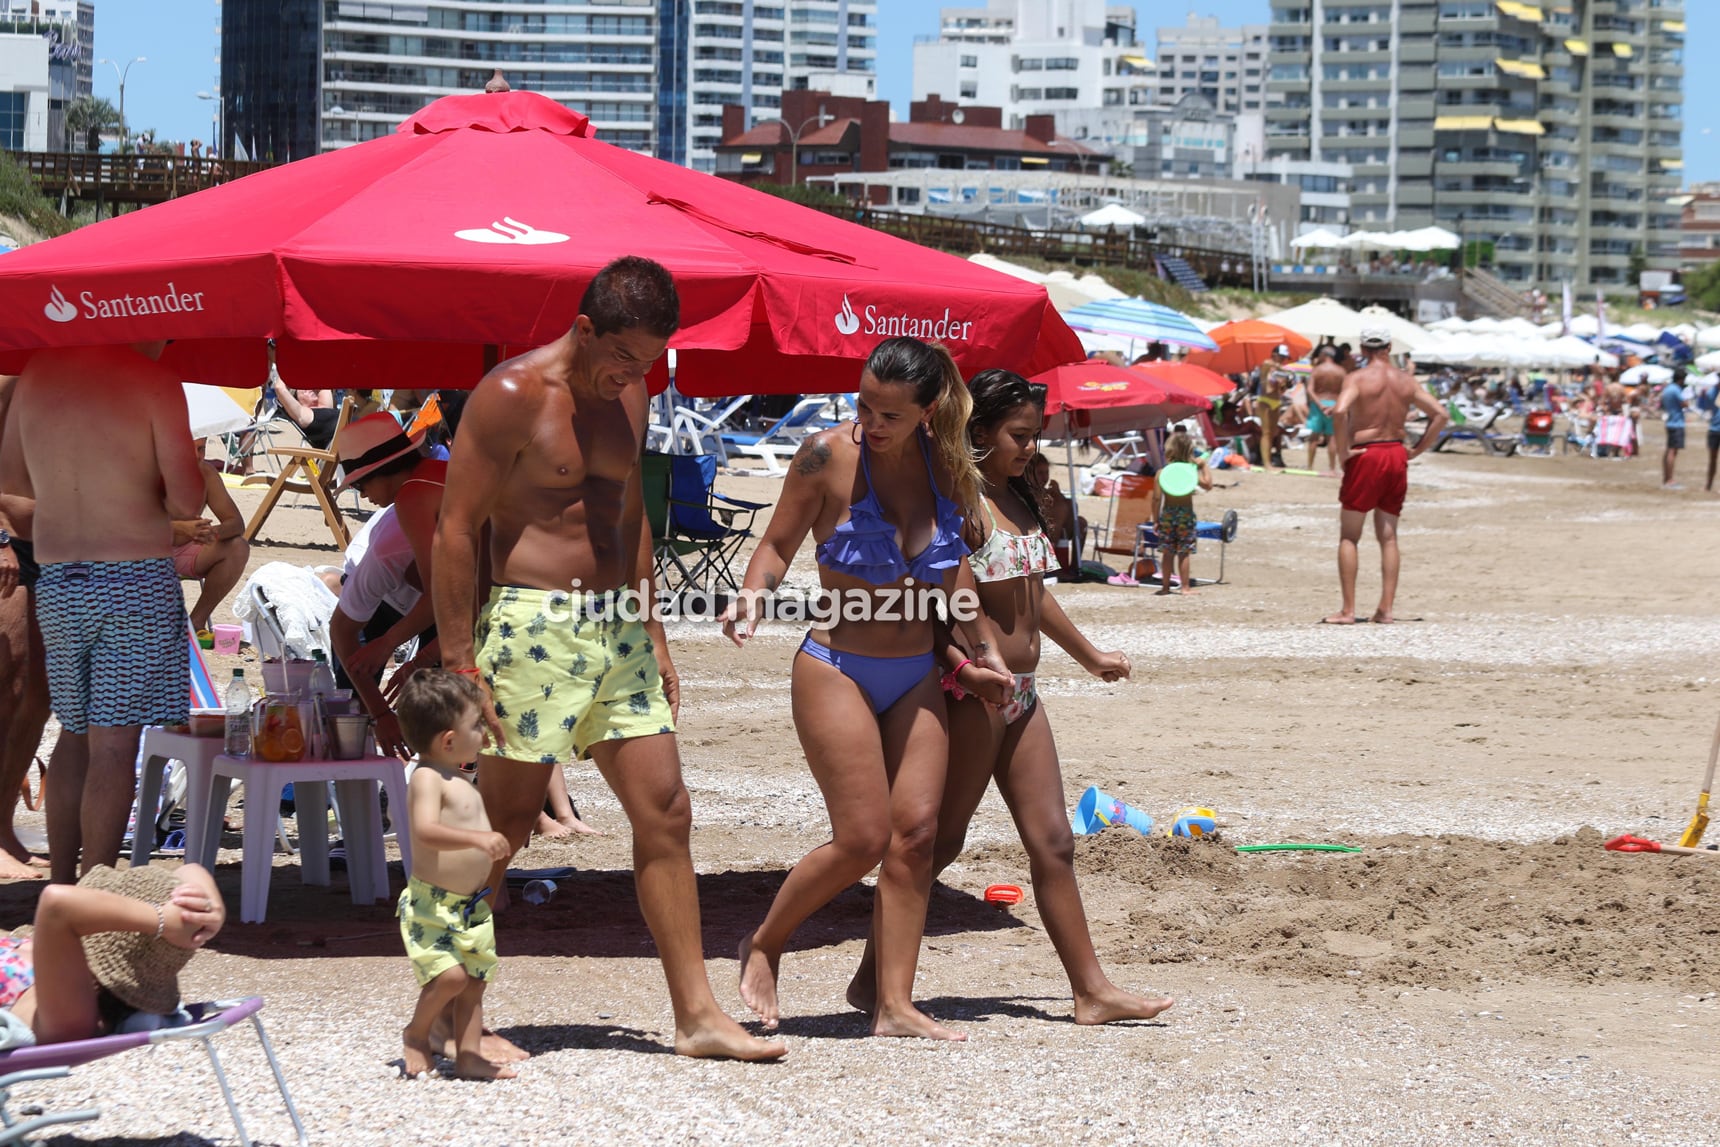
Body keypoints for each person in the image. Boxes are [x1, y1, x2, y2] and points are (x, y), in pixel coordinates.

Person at [433, 255, 783, 1061]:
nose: (632, 374)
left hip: (617, 623)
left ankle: (696, 1016)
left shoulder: (634, 389)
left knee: (667, 809)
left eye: (648, 361)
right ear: (584, 327)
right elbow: (455, 528)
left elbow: (628, 509)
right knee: (503, 828)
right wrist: (459, 660)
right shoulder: (512, 394)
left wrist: (653, 627)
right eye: (621, 357)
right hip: (530, 624)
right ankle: (462, 1020)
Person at [844, 369, 1172, 1026]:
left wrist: (1091, 655)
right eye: (1019, 435)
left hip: (1024, 695)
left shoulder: (1017, 500)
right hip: (974, 697)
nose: (1030, 447)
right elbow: (931, 606)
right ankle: (876, 980)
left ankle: (1091, 990)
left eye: (1034, 435)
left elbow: (1032, 595)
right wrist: (963, 668)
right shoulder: (959, 507)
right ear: (982, 431)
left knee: (1053, 841)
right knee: (937, 842)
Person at [722, 336, 1011, 1041]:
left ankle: (893, 1004)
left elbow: (955, 576)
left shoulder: (948, 465)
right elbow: (777, 543)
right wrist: (753, 593)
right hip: (837, 665)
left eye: (888, 413)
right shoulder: (826, 455)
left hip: (916, 671)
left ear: (927, 410)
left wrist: (984, 650)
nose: (871, 422)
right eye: (864, 405)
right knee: (861, 837)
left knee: (914, 837)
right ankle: (765, 940)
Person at [1, 345, 205, 883]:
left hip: (60, 580)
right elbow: (187, 502)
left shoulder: (36, 373)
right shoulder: (154, 380)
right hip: (132, 577)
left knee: (74, 732)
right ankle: (96, 891)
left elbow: (12, 490)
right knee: (115, 742)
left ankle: (64, 887)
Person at [394, 670, 515, 1080]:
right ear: (449, 740)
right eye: (476, 725)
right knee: (450, 977)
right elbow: (425, 831)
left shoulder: (457, 776)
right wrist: (478, 842)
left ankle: (468, 1054)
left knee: (475, 980)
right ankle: (417, 1033)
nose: (483, 732)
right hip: (433, 905)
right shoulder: (427, 778)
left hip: (471, 905)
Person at [1, 862, 224, 1046]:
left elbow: (57, 903)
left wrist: (161, 919)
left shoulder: (72, 1018)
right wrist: (213, 911)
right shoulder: (71, 963)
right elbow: (192, 868)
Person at [1323, 328, 1448, 626]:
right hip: (1395, 453)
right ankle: (1386, 609)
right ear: (1390, 347)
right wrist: (1417, 450)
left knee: (1350, 535)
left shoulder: (1357, 378)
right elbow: (1440, 414)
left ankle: (1348, 610)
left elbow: (1340, 412)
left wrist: (1342, 451)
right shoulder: (1406, 380)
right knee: (1389, 537)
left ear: (1362, 349)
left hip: (1366, 454)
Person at [0, 376, 49, 880]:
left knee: (38, 694)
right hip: (10, 542)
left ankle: (3, 825)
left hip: (56, 545)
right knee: (8, 688)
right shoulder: (12, 368)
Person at [172, 443, 252, 638]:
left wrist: (210, 533)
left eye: (202, 448)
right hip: (141, 552)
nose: (197, 455)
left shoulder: (205, 473)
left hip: (184, 549)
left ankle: (196, 621)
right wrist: (182, 527)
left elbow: (235, 523)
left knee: (237, 547)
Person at [1149, 428, 1214, 596]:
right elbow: (1208, 485)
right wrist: (1203, 465)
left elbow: (1156, 500)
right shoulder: (1189, 471)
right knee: (1184, 552)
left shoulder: (1161, 473)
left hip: (1168, 515)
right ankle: (1185, 587)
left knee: (1167, 552)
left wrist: (1156, 519)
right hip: (1185, 514)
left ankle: (1165, 587)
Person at [1306, 344, 1345, 473]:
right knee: (1331, 437)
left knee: (1314, 437)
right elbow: (1345, 391)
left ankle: (1310, 466)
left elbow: (1310, 390)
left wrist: (1320, 405)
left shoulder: (1317, 370)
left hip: (1318, 404)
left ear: (1324, 355)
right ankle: (1332, 468)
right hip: (1334, 404)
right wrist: (1334, 406)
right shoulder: (1341, 371)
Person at [272, 376, 340, 451]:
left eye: (317, 390)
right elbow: (279, 387)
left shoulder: (327, 412)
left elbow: (326, 407)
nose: (312, 389)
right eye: (305, 386)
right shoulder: (303, 415)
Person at [1660, 368, 1687, 490]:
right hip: (1677, 423)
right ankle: (1670, 480)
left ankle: (1666, 478)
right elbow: (1684, 403)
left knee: (1668, 451)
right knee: (1672, 451)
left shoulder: (1667, 389)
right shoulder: (1676, 390)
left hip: (1670, 421)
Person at [1697, 375, 1720, 492]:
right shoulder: (1712, 391)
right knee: (1712, 459)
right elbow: (1703, 407)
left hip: (1714, 428)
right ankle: (1709, 484)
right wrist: (1702, 396)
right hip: (1715, 429)